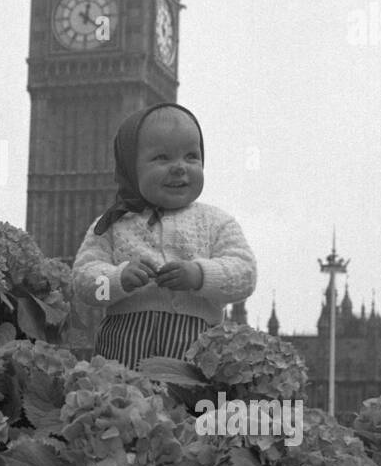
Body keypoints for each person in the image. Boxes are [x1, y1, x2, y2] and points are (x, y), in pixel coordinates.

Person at [71, 102, 257, 365]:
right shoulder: (112, 224)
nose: (179, 167)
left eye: (191, 156)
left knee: (188, 407)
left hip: (196, 360)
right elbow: (83, 284)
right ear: (129, 167)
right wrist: (117, 278)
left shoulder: (216, 222)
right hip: (122, 361)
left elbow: (245, 276)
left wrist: (200, 275)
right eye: (162, 157)